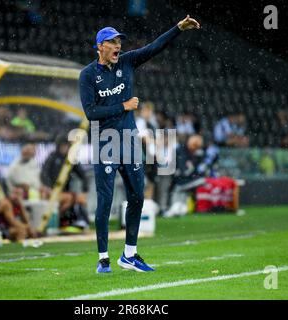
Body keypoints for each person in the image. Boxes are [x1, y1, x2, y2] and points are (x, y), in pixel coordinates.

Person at [79, 15, 201, 273]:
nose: (118, 46)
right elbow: (90, 112)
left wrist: (177, 28)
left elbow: (154, 47)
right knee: (105, 200)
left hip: (130, 141)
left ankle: (129, 254)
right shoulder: (88, 75)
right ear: (100, 46)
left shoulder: (127, 62)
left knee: (137, 196)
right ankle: (103, 258)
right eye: (112, 42)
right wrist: (123, 105)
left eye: (119, 42)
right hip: (105, 143)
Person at [40, 136, 90, 229]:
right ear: (59, 146)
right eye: (63, 146)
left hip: (65, 192)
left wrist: (84, 191)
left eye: (67, 146)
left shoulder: (71, 159)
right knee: (69, 199)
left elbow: (83, 176)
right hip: (52, 191)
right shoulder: (52, 157)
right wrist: (48, 187)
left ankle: (81, 222)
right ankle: (55, 220)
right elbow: (44, 173)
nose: (65, 148)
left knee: (79, 199)